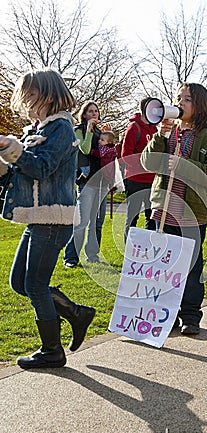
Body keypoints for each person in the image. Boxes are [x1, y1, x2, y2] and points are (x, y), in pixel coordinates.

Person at [0, 68, 95, 369]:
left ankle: (51, 351)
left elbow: (42, 168)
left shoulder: (62, 128)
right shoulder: (36, 130)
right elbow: (24, 175)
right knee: (20, 282)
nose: (26, 101)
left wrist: (14, 152)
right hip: (38, 219)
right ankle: (76, 314)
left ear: (49, 95)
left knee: (36, 284)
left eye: (31, 95)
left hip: (54, 219)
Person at [141, 82, 207, 335]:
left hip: (191, 213)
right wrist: (160, 136)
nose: (179, 103)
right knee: (164, 266)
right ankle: (168, 314)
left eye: (186, 99)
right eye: (178, 98)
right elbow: (147, 163)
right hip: (163, 210)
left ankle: (190, 315)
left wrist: (185, 164)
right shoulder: (169, 133)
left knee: (190, 266)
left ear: (199, 106)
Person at [63, 101, 110, 267]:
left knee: (97, 223)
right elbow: (84, 148)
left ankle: (92, 255)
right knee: (82, 222)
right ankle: (71, 258)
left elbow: (109, 153)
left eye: (96, 111)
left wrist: (108, 136)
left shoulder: (101, 132)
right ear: (84, 115)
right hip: (86, 182)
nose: (94, 114)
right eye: (90, 111)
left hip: (102, 182)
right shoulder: (78, 131)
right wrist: (89, 130)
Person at [121, 97, 157, 243]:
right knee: (132, 217)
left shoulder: (155, 129)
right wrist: (145, 164)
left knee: (152, 216)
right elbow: (126, 155)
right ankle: (129, 250)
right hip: (135, 179)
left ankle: (149, 248)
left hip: (152, 180)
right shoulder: (133, 128)